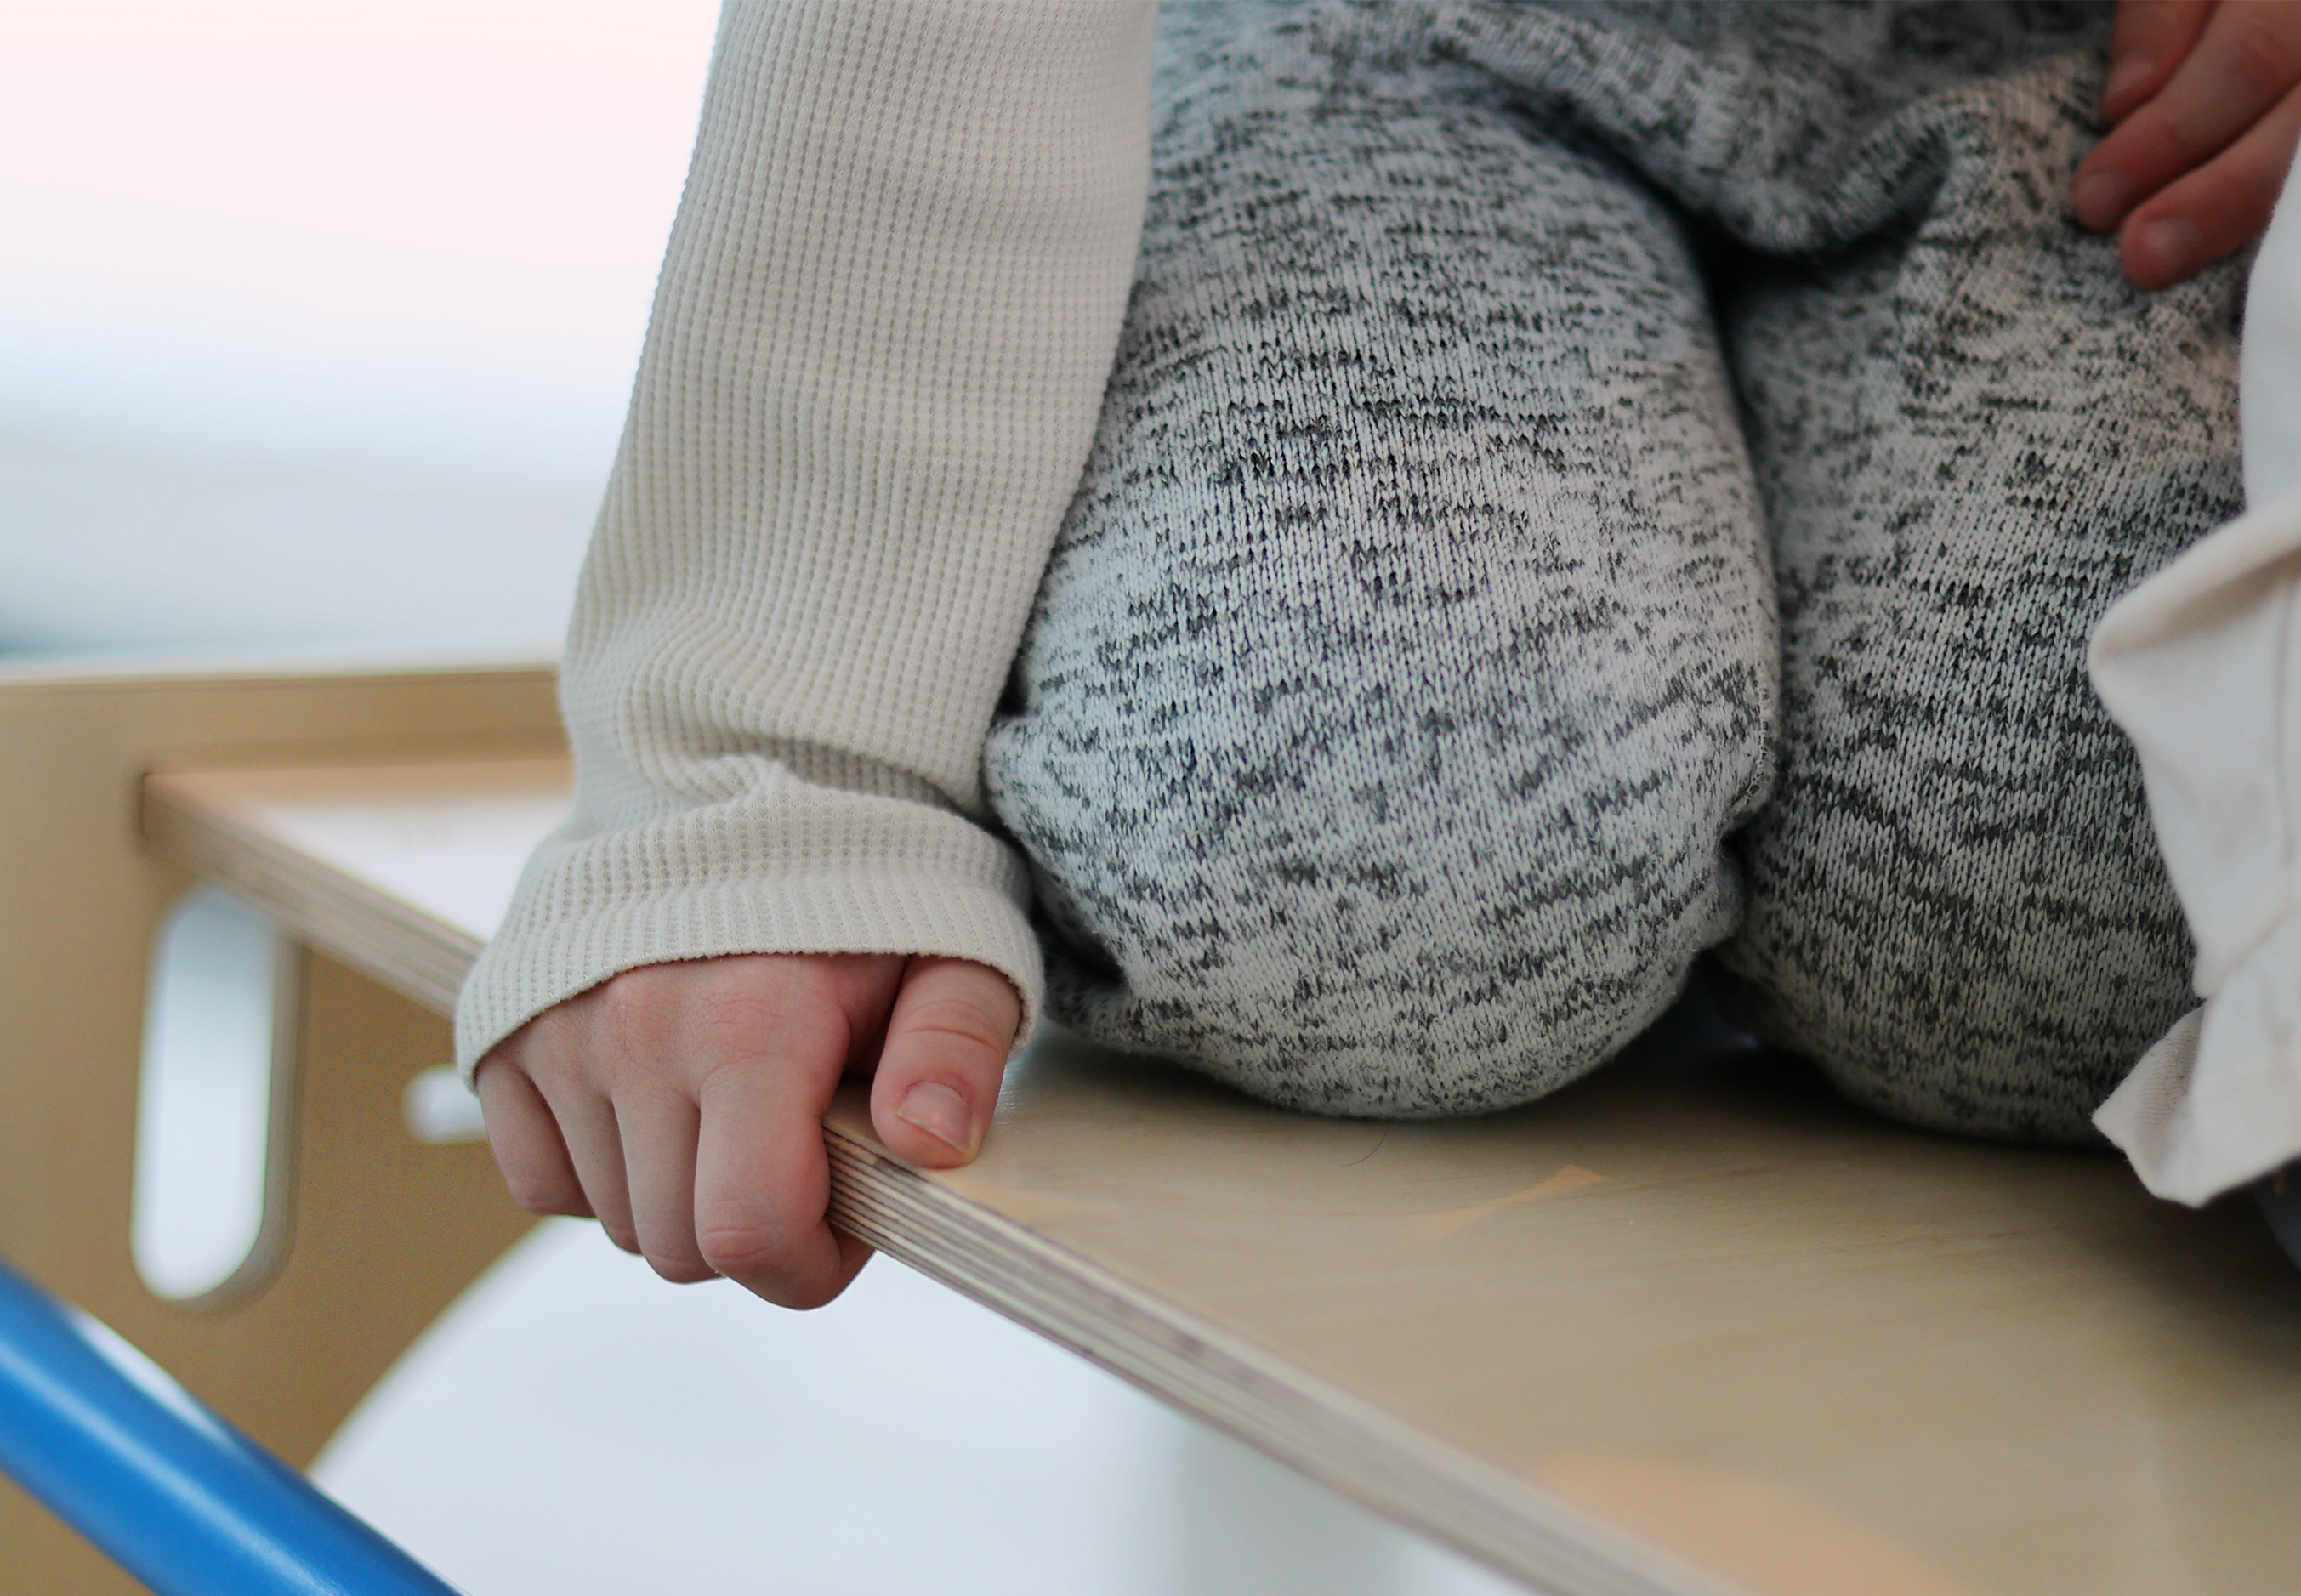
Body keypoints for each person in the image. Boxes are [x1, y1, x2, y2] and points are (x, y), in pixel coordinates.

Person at [463, 0, 2299, 1309]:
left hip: (2119, 70)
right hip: (1376, 34)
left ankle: (1718, 793)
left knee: (2094, 901)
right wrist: (776, 769)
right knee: (1340, 817)